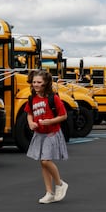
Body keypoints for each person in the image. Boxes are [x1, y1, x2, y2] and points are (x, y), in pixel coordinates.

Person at [25, 69, 69, 204]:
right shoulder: (32, 98)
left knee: (45, 160)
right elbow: (29, 113)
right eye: (34, 82)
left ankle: (60, 184)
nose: (36, 85)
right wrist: (31, 123)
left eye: (39, 82)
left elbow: (63, 115)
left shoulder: (53, 98)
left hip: (52, 133)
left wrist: (51, 121)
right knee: (43, 164)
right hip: (39, 134)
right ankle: (49, 192)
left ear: (46, 83)